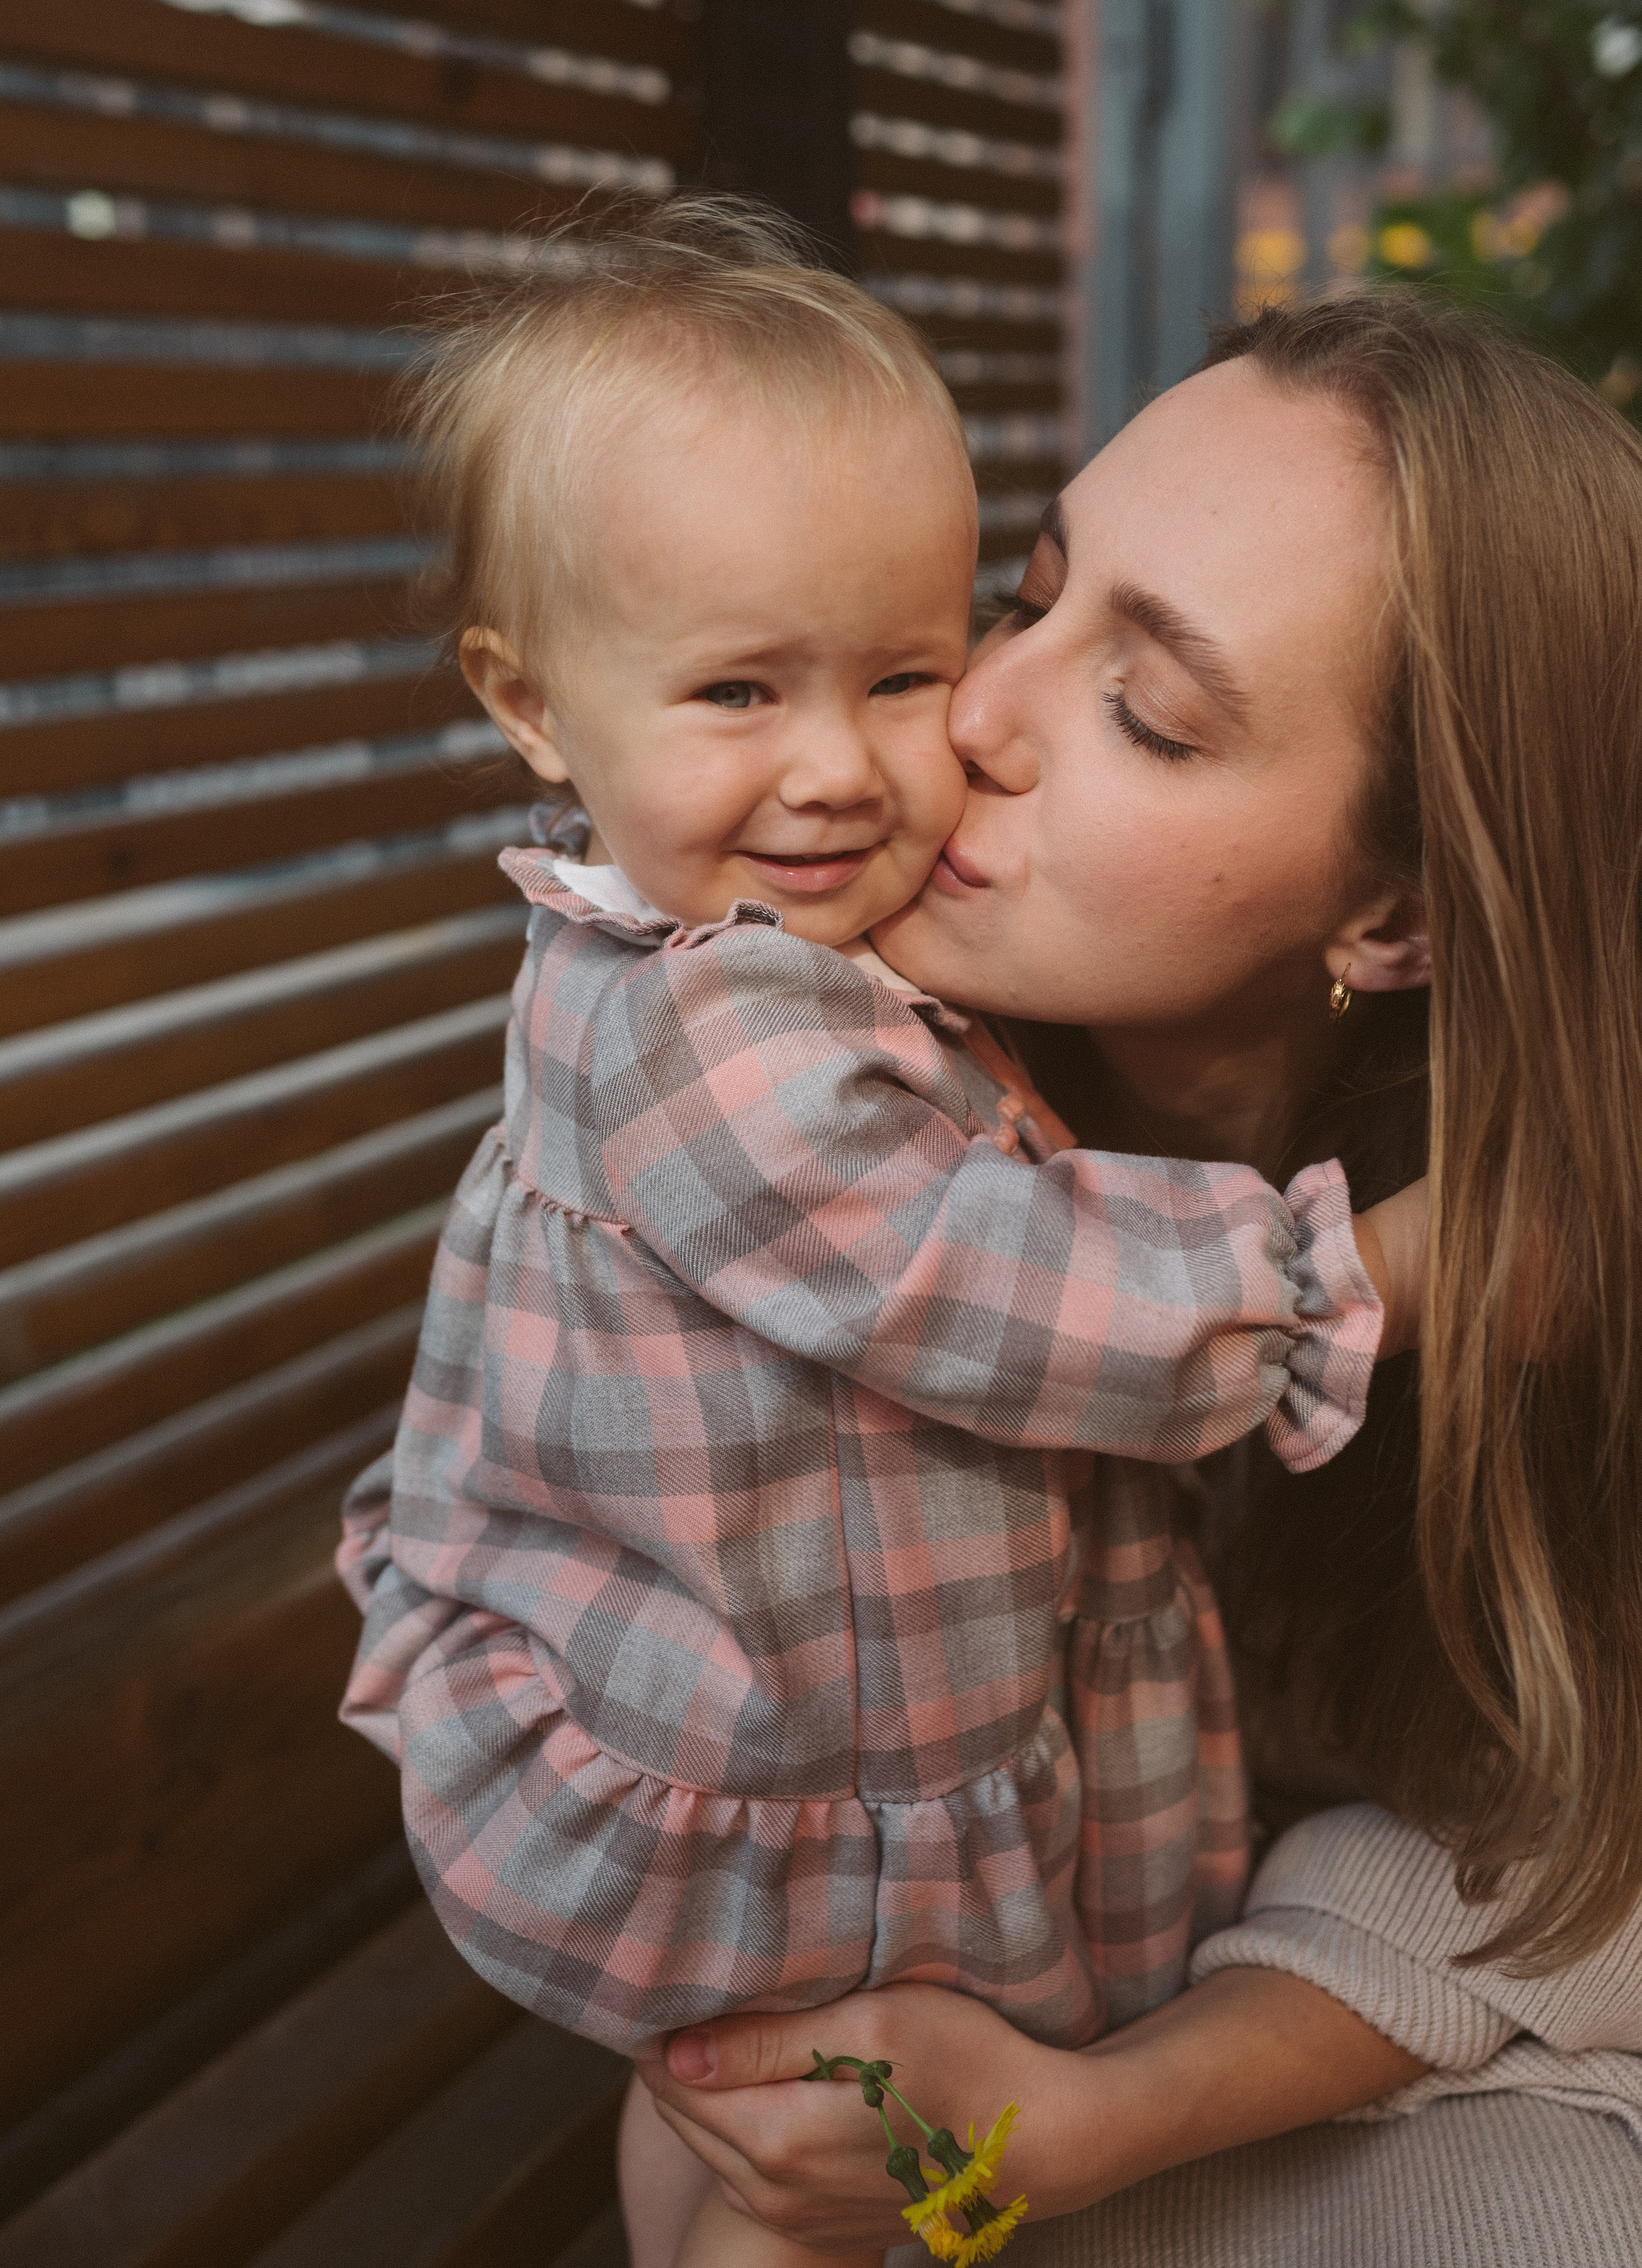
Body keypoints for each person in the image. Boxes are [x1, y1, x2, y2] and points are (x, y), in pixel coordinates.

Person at [332, 201, 1425, 2268]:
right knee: (786, 2189)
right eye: (741, 686)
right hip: (799, 1829)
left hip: (890, 1799)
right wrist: (1404, 1266)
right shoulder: (700, 1024)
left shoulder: (821, 973)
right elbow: (994, 1280)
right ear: (533, 704)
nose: (863, 763)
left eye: (906, 665)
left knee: (773, 2174)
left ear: (1404, 912)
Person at [632, 292, 1642, 2262]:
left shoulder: (1549, 1251)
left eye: (1151, 713)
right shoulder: (808, 1109)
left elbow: (1575, 1864)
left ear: (1401, 912)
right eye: (1023, 595)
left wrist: (1091, 2120)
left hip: (1457, 2051)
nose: (979, 715)